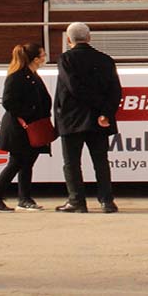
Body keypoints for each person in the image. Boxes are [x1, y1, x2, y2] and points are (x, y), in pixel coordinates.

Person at [55, 22, 122, 213]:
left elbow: (73, 87)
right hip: (99, 120)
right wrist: (105, 112)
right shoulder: (106, 60)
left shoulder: (66, 59)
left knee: (72, 163)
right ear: (89, 37)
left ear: (69, 39)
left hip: (71, 118)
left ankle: (77, 201)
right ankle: (107, 201)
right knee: (101, 161)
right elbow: (115, 91)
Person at [0, 43, 53, 213]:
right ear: (35, 58)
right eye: (43, 55)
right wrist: (31, 112)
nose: (45, 57)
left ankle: (24, 198)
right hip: (19, 128)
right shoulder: (17, 76)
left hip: (32, 127)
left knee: (27, 163)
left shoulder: (33, 75)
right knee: (16, 162)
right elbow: (8, 102)